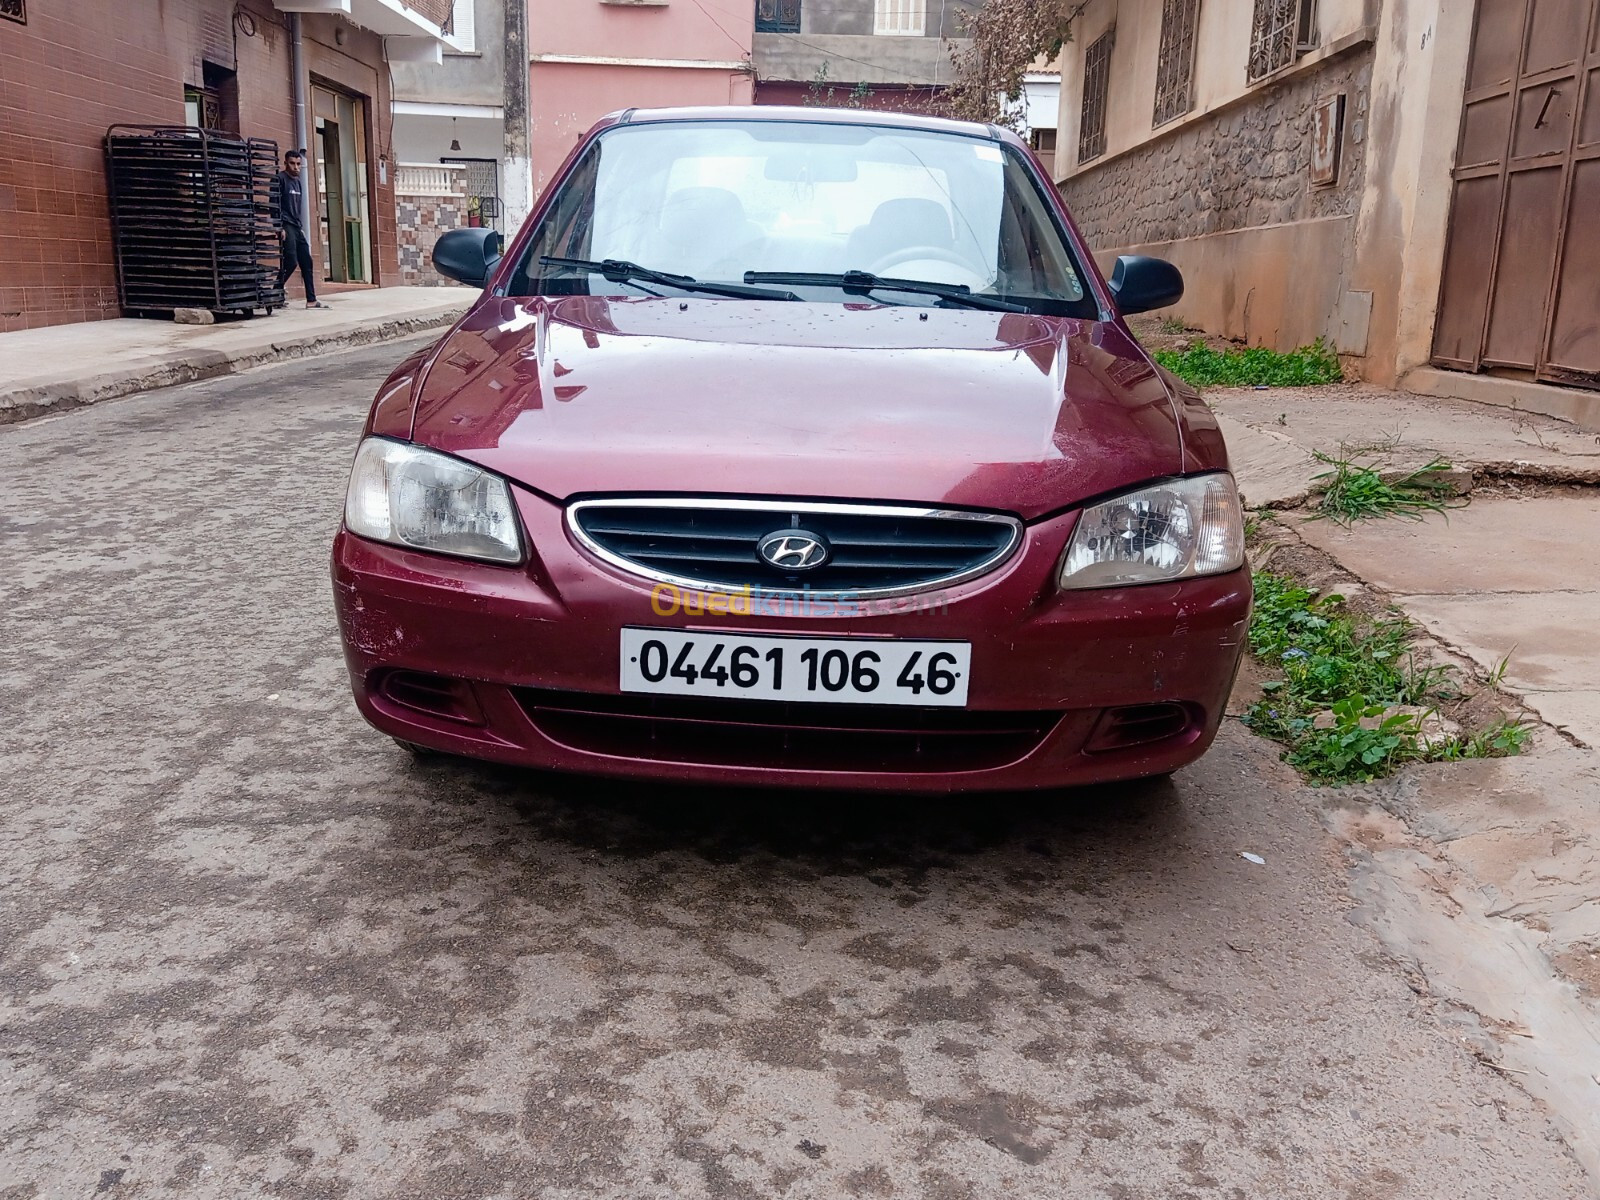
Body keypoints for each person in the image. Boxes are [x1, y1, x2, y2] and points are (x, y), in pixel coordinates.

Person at [273, 150, 328, 310]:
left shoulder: (297, 182)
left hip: (296, 226)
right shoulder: (279, 180)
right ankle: (275, 294)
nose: (296, 167)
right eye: (292, 163)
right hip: (285, 225)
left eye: (298, 164)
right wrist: (279, 227)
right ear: (285, 163)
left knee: (306, 261)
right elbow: (273, 205)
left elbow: (297, 208)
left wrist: (300, 228)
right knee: (290, 261)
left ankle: (311, 300)